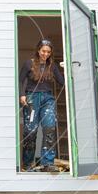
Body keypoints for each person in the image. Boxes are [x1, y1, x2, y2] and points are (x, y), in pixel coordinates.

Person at [19, 39, 65, 172]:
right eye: (43, 51)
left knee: (49, 129)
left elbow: (62, 82)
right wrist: (22, 95)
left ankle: (47, 163)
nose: (45, 54)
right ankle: (27, 164)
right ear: (38, 50)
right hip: (32, 98)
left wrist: (67, 69)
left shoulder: (53, 66)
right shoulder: (30, 63)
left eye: (48, 52)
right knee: (30, 131)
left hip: (48, 99)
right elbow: (20, 80)